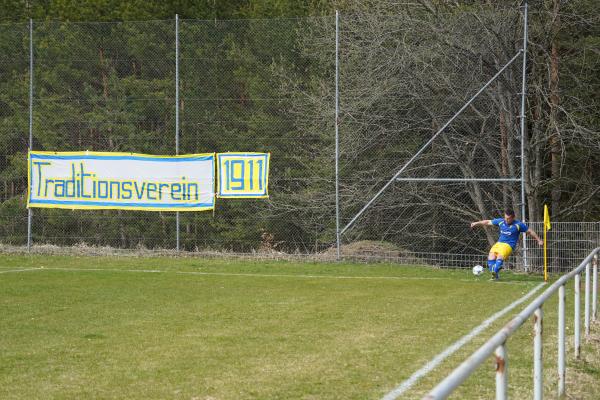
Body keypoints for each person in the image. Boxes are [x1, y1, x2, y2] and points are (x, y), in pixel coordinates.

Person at [470, 208, 543, 280]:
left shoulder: (518, 225)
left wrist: (539, 240)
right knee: (491, 257)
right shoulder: (501, 221)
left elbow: (530, 231)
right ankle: (496, 274)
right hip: (499, 243)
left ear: (513, 217)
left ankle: (495, 271)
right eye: (505, 218)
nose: (506, 220)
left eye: (508, 218)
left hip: (508, 245)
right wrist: (476, 223)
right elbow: (487, 222)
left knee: (499, 257)